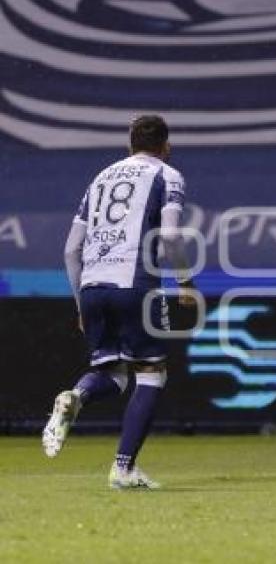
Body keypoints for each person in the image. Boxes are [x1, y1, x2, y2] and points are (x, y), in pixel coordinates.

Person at [42, 115, 197, 489]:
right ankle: (123, 469)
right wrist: (185, 281)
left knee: (114, 373)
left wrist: (81, 302)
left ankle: (75, 395)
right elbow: (172, 236)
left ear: (129, 143)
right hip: (136, 283)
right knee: (151, 373)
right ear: (166, 145)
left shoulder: (100, 178)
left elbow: (70, 250)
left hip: (94, 285)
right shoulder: (167, 174)